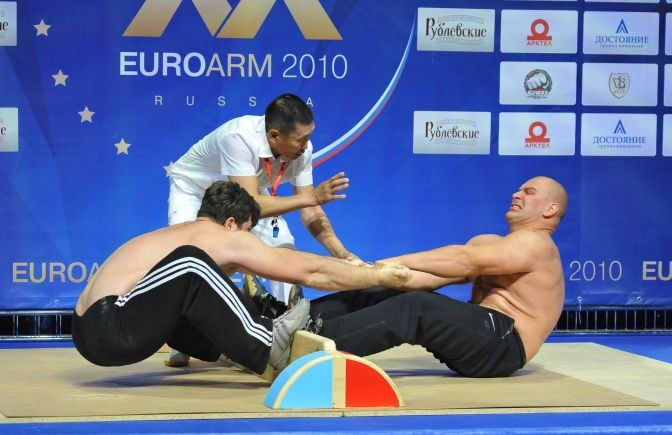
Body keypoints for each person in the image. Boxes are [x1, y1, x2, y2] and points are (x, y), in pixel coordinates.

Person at [72, 182, 411, 377]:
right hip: (111, 326)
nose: (249, 242)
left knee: (203, 279)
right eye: (250, 232)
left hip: (89, 330)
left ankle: (234, 343)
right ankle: (267, 339)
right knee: (193, 263)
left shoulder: (174, 234)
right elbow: (309, 270)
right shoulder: (214, 237)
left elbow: (162, 301)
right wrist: (374, 275)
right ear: (232, 223)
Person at [164, 93, 361, 366]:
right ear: (274, 136)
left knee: (283, 250)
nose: (307, 145)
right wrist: (312, 197)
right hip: (195, 191)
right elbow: (252, 202)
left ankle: (283, 334)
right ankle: (184, 339)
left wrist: (343, 254)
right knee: (190, 259)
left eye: (309, 136)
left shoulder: (302, 150)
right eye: (301, 139)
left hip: (248, 194)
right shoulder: (238, 137)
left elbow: (310, 210)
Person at [304, 176, 568, 378]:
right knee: (389, 292)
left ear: (550, 208)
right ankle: (299, 320)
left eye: (528, 192)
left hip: (504, 346)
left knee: (417, 306)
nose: (516, 194)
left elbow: (463, 261)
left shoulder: (538, 245)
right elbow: (431, 278)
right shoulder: (490, 243)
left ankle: (312, 347)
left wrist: (398, 261)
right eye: (519, 189)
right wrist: (378, 275)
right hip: (479, 334)